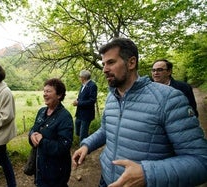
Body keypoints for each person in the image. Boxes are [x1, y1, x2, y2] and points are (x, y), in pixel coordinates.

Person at [72, 38, 207, 187]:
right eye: (103, 64)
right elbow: (106, 129)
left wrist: (147, 174)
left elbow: (200, 161)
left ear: (131, 63)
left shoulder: (168, 99)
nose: (104, 69)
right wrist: (87, 145)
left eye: (111, 62)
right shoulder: (112, 97)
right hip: (106, 180)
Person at [28, 78, 73, 187]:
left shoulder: (65, 117)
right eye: (44, 91)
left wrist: (42, 141)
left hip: (56, 172)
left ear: (59, 95)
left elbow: (63, 146)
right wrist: (32, 135)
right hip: (40, 168)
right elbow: (34, 129)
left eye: (48, 91)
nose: (44, 94)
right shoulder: (42, 111)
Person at [73, 70, 98, 142]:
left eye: (80, 77)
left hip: (87, 114)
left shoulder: (92, 85)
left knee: (82, 135)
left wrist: (78, 103)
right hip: (79, 113)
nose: (79, 78)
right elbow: (81, 97)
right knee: (77, 131)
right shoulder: (83, 85)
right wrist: (76, 101)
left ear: (83, 77)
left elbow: (92, 101)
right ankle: (89, 141)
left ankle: (83, 150)